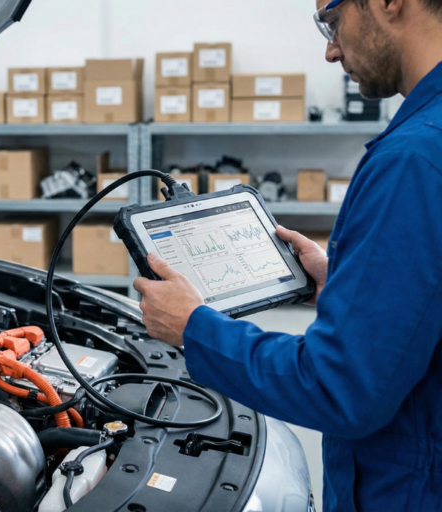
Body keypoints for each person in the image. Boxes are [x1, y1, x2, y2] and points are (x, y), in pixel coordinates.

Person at [133, 0, 442, 510]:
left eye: (332, 19)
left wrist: (195, 328)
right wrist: (349, 281)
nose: (330, 49)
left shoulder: (413, 159)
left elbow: (340, 389)